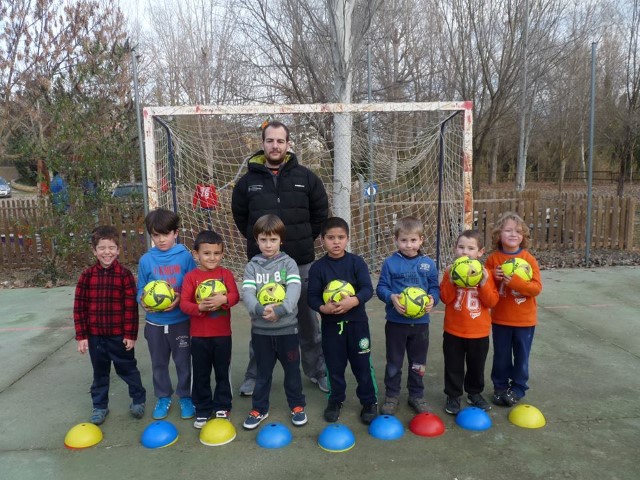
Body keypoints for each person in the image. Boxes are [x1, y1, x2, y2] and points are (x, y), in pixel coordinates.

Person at [231, 120, 329, 395]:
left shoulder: (306, 178)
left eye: (280, 141)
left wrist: (301, 240)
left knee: (308, 322)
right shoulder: (247, 183)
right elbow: (241, 218)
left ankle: (316, 371)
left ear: (288, 144)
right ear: (262, 144)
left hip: (300, 261)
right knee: (261, 320)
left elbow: (320, 213)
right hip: (262, 265)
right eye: (270, 140)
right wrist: (259, 242)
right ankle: (255, 375)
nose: (275, 145)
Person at [308, 217, 378, 425]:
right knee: (334, 366)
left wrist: (353, 301)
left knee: (362, 365)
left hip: (357, 325)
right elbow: (312, 297)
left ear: (347, 238)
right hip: (331, 328)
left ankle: (369, 401)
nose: (336, 242)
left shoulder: (357, 262)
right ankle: (335, 400)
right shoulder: (318, 268)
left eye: (340, 237)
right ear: (322, 240)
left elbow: (367, 289)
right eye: (331, 238)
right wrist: (324, 308)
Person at [240, 214, 307, 430]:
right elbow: (248, 293)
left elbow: (294, 291)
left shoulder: (289, 264)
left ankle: (297, 406)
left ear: (281, 240)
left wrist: (281, 310)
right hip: (261, 332)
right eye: (263, 240)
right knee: (263, 373)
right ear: (256, 240)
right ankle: (259, 408)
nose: (268, 245)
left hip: (287, 330)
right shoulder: (252, 266)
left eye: (273, 240)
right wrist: (260, 310)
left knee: (292, 371)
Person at [73, 225, 146, 425]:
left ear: (118, 250)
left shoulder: (124, 275)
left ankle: (138, 399)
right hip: (96, 337)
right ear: (94, 251)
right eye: (102, 248)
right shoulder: (86, 276)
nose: (107, 252)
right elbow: (79, 308)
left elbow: (130, 307)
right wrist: (82, 336)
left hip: (119, 336)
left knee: (128, 369)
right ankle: (99, 406)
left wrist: (130, 335)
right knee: (100, 373)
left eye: (112, 247)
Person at [375, 216, 440, 415]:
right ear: (396, 240)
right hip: (396, 323)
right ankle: (392, 395)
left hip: (420, 324)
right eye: (403, 240)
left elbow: (435, 289)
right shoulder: (390, 263)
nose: (408, 245)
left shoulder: (428, 264)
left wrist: (432, 300)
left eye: (413, 240)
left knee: (418, 362)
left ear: (421, 240)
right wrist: (391, 298)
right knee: (394, 361)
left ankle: (416, 395)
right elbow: (381, 288)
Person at [137, 208, 197, 421]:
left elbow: (192, 285)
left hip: (180, 321)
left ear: (176, 233)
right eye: (155, 235)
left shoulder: (185, 257)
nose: (161, 240)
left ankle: (185, 396)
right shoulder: (146, 260)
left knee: (183, 362)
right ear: (150, 235)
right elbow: (141, 288)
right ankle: (163, 397)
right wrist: (143, 301)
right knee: (159, 363)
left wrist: (181, 298)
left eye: (166, 234)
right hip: (154, 323)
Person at [180, 230, 239, 429]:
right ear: (196, 254)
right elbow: (184, 304)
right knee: (201, 374)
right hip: (198, 337)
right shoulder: (191, 277)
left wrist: (224, 299)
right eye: (207, 253)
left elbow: (235, 296)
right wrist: (200, 308)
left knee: (222, 372)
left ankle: (223, 405)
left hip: (222, 336)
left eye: (216, 253)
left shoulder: (226, 274)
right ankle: (203, 408)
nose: (212, 257)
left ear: (222, 254)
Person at [485, 212, 543, 407]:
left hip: (525, 321)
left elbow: (536, 288)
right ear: (498, 235)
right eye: (508, 230)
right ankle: (500, 387)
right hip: (501, 319)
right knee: (501, 356)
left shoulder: (529, 259)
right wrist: (494, 274)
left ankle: (518, 388)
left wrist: (515, 282)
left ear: (524, 236)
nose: (513, 234)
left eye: (518, 231)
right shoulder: (493, 259)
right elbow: (484, 283)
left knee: (521, 357)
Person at [440, 230, 499, 415]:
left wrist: (483, 284)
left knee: (476, 366)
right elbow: (445, 298)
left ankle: (474, 393)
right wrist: (450, 280)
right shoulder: (450, 271)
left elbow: (492, 302)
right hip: (453, 330)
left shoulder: (486, 274)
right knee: (453, 366)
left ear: (480, 252)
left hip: (478, 332)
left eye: (471, 248)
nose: (465, 252)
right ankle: (453, 395)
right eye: (461, 247)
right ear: (455, 249)